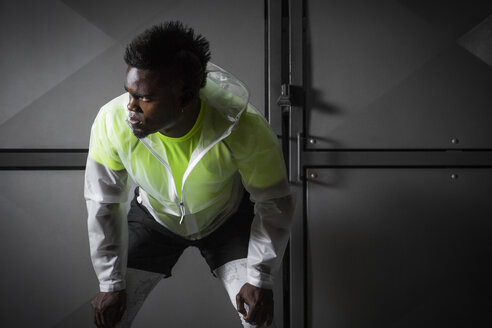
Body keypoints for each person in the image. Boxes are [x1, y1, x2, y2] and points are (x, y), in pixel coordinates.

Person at [84, 21, 294, 328]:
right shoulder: (111, 122)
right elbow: (104, 203)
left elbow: (273, 199)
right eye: (127, 92)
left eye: (144, 97)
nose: (130, 107)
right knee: (110, 318)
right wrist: (109, 283)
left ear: (184, 98)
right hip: (154, 220)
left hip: (228, 220)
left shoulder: (243, 125)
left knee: (258, 320)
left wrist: (260, 277)